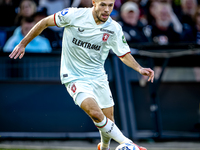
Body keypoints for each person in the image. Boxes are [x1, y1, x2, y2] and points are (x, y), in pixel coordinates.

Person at [9, 0, 154, 150]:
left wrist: (139, 68)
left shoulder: (114, 28)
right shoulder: (74, 15)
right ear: (94, 3)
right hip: (74, 76)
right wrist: (23, 43)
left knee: (108, 120)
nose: (106, 9)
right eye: (103, 4)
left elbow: (123, 54)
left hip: (98, 76)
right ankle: (127, 143)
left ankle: (104, 147)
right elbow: (45, 22)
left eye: (110, 5)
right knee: (95, 113)